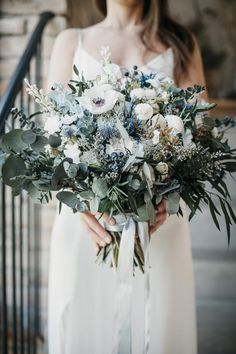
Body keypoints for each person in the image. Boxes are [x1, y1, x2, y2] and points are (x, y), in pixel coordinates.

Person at [47, 1, 207, 353]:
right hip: (86, 226)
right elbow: (52, 144)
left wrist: (168, 194)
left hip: (159, 225)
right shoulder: (69, 41)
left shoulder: (181, 44)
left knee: (159, 332)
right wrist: (83, 205)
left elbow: (199, 139)